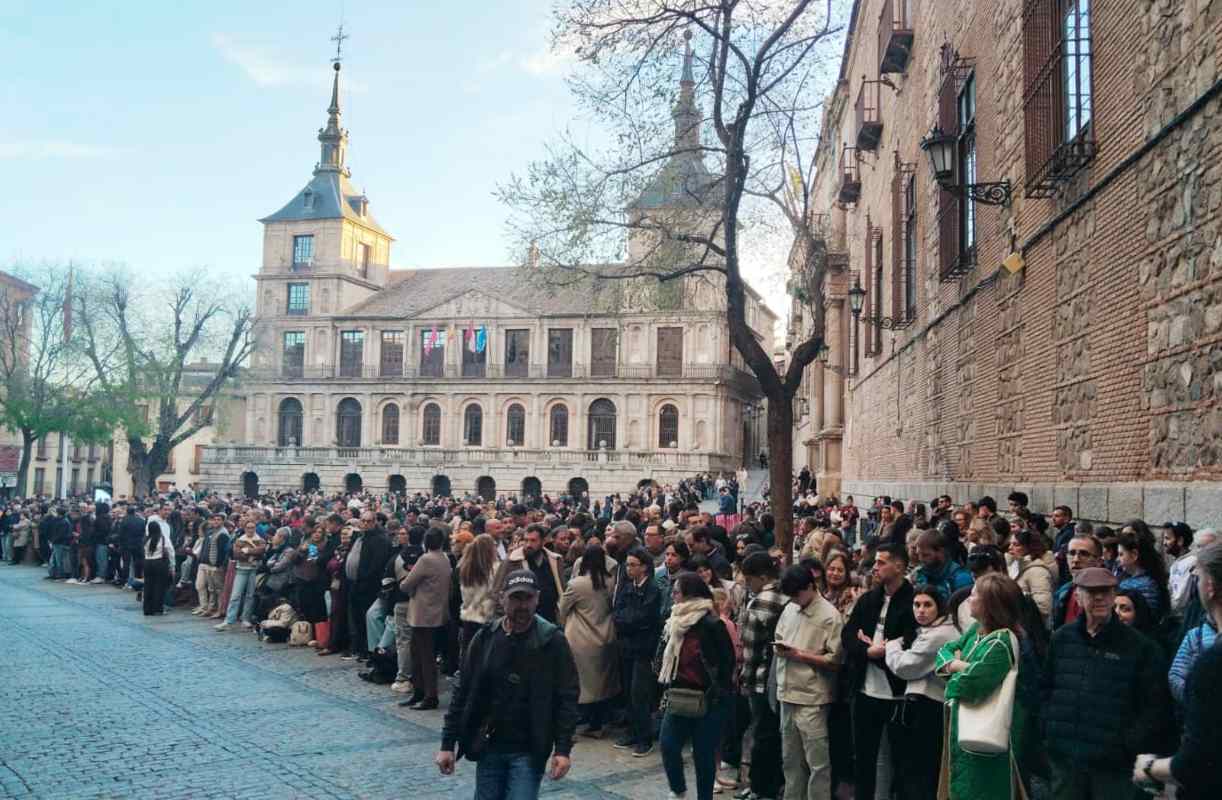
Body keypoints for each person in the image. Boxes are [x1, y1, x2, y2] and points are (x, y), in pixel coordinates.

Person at [436, 569, 579, 800]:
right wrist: (447, 743)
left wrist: (563, 749)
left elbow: (567, 697)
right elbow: (463, 691)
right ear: (502, 598)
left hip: (529, 749)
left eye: (528, 598)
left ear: (538, 599)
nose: (522, 605)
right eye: (515, 598)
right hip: (489, 745)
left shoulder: (552, 641)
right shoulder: (486, 637)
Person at [1041, 567, 1170, 799]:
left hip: (1114, 767)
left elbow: (1155, 707)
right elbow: (1046, 688)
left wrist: (1126, 746)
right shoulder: (1062, 638)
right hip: (1066, 760)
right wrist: (1050, 731)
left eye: (1105, 591)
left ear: (1113, 595)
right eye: (1091, 592)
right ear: (1078, 596)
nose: (1099, 598)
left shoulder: (1142, 648)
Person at [1132, 542, 1222, 800]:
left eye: (1199, 577)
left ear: (1210, 587)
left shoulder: (1213, 664)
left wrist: (1149, 767)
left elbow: (1197, 761)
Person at [933, 574, 1026, 799]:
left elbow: (969, 686)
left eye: (974, 595)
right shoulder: (976, 630)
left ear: (989, 604)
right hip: (961, 730)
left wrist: (953, 668)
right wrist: (961, 666)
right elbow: (942, 653)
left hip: (986, 736)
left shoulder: (1001, 641)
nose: (969, 599)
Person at [841, 542, 917, 800]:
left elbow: (909, 644)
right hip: (864, 690)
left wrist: (880, 650)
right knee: (863, 756)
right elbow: (849, 635)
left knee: (901, 760)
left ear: (899, 566)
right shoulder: (868, 599)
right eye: (875, 562)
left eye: (881, 562)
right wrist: (868, 651)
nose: (875, 567)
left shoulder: (913, 602)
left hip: (898, 694)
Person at [657, 572, 736, 800]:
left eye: (677, 592)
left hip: (709, 698)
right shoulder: (673, 622)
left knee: (703, 755)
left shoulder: (711, 624)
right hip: (678, 694)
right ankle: (679, 790)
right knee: (668, 746)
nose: (673, 596)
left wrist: (719, 690)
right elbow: (662, 657)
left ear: (690, 595)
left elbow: (726, 661)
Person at [773, 565, 843, 800]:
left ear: (811, 586)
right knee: (790, 761)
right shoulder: (790, 608)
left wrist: (800, 655)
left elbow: (835, 660)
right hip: (786, 693)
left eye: (797, 595)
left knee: (817, 763)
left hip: (813, 697)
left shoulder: (830, 616)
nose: (794, 600)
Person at [884, 584, 958, 800]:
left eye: (927, 605)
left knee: (922, 772)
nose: (921, 610)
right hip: (928, 706)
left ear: (939, 607)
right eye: (916, 605)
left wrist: (891, 646)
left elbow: (905, 666)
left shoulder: (939, 635)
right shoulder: (932, 630)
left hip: (931, 707)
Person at [738, 551, 788, 800]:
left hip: (760, 678)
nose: (747, 584)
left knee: (762, 733)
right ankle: (773, 784)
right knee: (775, 734)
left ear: (760, 577)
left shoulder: (760, 601)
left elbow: (751, 647)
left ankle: (760, 787)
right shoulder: (786, 594)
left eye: (748, 579)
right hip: (781, 677)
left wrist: (744, 678)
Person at [558, 543, 619, 737]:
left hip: (580, 639)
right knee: (602, 683)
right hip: (606, 635)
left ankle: (584, 720)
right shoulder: (611, 582)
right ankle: (598, 723)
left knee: (581, 683)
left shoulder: (576, 584)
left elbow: (562, 608)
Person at [612, 547, 662, 757]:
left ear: (644, 567)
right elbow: (618, 613)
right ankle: (632, 731)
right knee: (628, 692)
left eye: (633, 565)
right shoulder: (627, 588)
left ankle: (644, 737)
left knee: (639, 693)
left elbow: (644, 618)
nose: (629, 569)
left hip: (643, 649)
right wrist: (626, 621)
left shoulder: (652, 589)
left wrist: (628, 621)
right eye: (627, 565)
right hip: (626, 647)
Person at [399, 528, 452, 710]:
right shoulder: (444, 558)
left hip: (423, 613)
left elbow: (407, 585)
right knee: (419, 653)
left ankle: (429, 695)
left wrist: (404, 581)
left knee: (424, 656)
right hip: (437, 611)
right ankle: (420, 691)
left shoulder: (426, 559)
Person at [215, 520, 266, 631]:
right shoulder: (240, 540)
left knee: (250, 595)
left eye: (252, 527)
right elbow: (237, 555)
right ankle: (229, 620)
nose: (250, 529)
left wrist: (247, 550)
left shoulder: (260, 540)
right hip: (241, 569)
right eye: (248, 527)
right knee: (235, 595)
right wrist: (252, 554)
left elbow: (261, 551)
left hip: (253, 570)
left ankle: (245, 619)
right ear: (245, 528)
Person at [1115, 532, 1169, 621]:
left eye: (1121, 554)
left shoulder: (1145, 585)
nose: (1118, 559)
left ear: (1134, 555)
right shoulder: (1151, 580)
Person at [1051, 534, 1101, 629]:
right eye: (1072, 553)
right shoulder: (1063, 591)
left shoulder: (1107, 596)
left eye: (1084, 554)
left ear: (1098, 561)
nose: (1076, 559)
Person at [141, 518, 174, 616]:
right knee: (159, 587)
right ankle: (158, 608)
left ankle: (147, 609)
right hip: (159, 563)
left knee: (148, 586)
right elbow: (171, 552)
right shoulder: (163, 538)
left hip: (147, 563)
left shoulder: (146, 539)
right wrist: (172, 565)